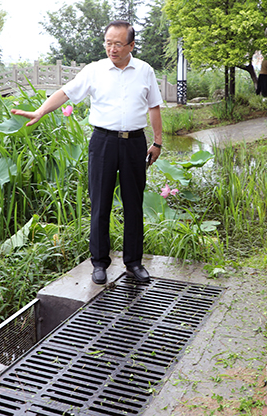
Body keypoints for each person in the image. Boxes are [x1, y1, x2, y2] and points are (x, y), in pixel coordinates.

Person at [11, 20, 163, 286]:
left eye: (118, 44)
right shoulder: (94, 70)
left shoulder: (144, 70)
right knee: (100, 204)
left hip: (134, 143)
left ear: (131, 45)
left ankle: (134, 262)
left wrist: (158, 142)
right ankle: (100, 263)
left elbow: (154, 106)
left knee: (133, 204)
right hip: (103, 142)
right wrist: (40, 111)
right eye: (108, 43)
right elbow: (65, 93)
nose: (112, 49)